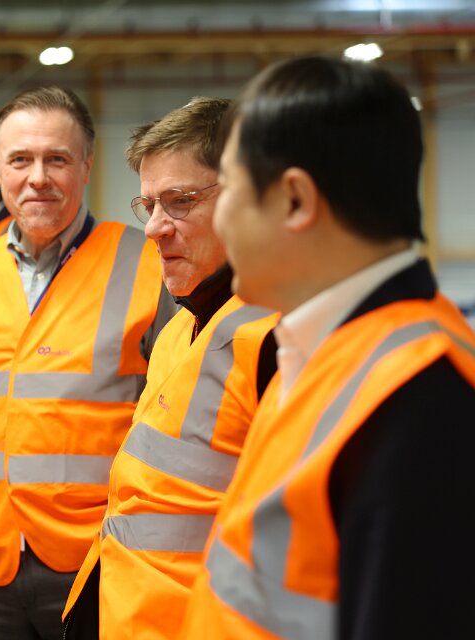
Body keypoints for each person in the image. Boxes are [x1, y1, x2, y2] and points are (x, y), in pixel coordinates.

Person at [179, 56, 475, 639]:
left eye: (229, 187)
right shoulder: (317, 352)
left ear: (295, 200)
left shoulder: (420, 401)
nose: (220, 218)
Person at [0, 86, 177, 640]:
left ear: (86, 166)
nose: (38, 177)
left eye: (57, 159)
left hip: (99, 556)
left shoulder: (149, 264)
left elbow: (177, 426)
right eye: (20, 160)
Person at [61, 97, 279, 639]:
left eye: (179, 202)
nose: (155, 228)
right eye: (148, 205)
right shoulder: (181, 329)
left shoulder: (279, 341)